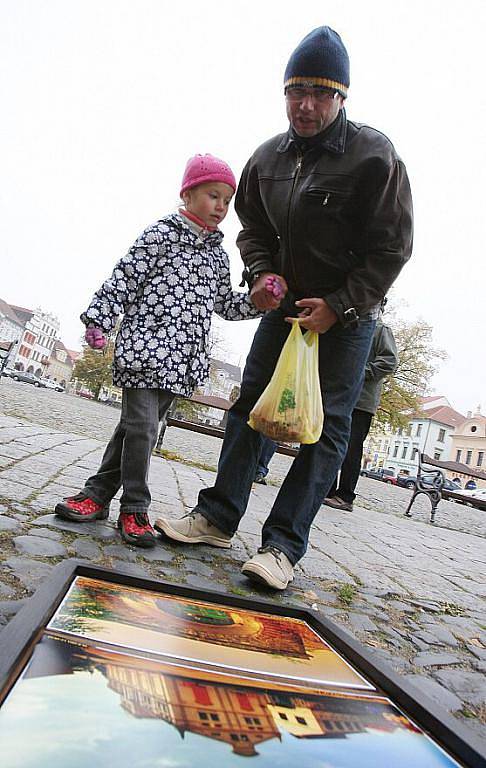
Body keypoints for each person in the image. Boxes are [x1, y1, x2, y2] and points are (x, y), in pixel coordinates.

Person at [155, 26, 413, 589]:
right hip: (285, 307)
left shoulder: (375, 155)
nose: (306, 104)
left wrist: (341, 306)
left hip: (348, 320)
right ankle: (217, 517)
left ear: (342, 97)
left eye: (321, 92)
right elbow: (252, 230)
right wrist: (262, 272)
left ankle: (281, 547)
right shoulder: (267, 157)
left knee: (326, 430)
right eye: (296, 90)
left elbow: (393, 248)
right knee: (251, 405)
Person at [55, 154, 263, 547]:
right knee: (144, 430)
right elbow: (125, 276)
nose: (220, 207)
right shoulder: (161, 234)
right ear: (188, 194)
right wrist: (99, 320)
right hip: (144, 349)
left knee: (133, 429)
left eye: (226, 200)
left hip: (181, 360)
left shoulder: (218, 256)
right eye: (212, 196)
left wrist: (258, 301)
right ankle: (134, 507)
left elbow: (225, 305)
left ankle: (96, 495)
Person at [323, 314, 398, 512]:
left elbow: (390, 361)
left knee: (352, 447)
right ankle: (327, 490)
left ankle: (345, 496)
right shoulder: (351, 326)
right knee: (331, 441)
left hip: (362, 401)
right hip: (341, 395)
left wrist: (361, 371)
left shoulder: (381, 329)